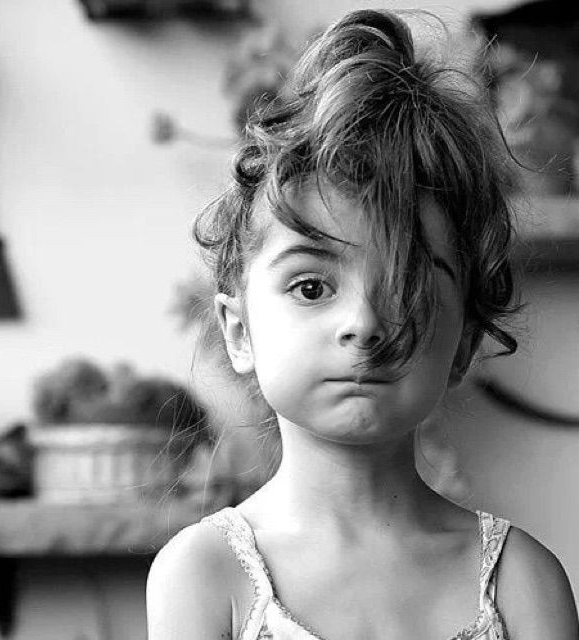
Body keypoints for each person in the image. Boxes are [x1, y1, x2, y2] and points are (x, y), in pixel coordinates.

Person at [146, 9, 579, 640]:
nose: (365, 324)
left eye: (408, 287)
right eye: (312, 287)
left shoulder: (521, 580)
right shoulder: (204, 574)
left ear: (464, 342)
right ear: (238, 332)